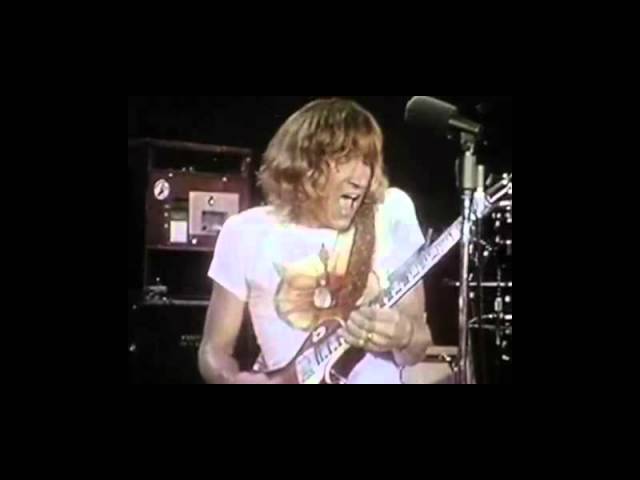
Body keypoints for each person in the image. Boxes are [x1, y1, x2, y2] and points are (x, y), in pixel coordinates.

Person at [198, 98, 433, 384]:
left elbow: (418, 346)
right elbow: (213, 349)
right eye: (344, 159)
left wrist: (404, 335)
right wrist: (232, 379)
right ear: (304, 166)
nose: (361, 177)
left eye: (367, 161)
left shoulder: (390, 213)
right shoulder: (244, 232)